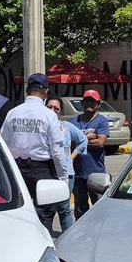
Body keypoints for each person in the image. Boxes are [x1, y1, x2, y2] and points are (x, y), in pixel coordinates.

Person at [0, 74, 72, 235]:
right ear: (46, 91)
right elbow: (57, 151)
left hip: (16, 170)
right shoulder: (49, 115)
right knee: (44, 216)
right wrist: (63, 178)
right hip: (42, 170)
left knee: (18, 214)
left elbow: (3, 144)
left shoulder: (13, 113)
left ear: (27, 90)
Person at [46, 97, 87, 233]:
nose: (52, 110)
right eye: (49, 107)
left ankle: (67, 239)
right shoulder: (42, 126)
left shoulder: (66, 126)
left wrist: (73, 156)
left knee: (64, 210)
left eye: (56, 108)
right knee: (47, 209)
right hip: (47, 173)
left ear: (60, 111)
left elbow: (83, 140)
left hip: (66, 174)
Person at [72, 90, 111, 217]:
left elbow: (100, 143)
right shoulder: (74, 121)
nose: (89, 103)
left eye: (92, 101)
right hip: (77, 173)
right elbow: (68, 143)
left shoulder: (101, 121)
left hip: (96, 173)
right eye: (87, 100)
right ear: (82, 103)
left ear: (98, 104)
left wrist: (79, 140)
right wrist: (87, 137)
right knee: (80, 209)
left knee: (100, 208)